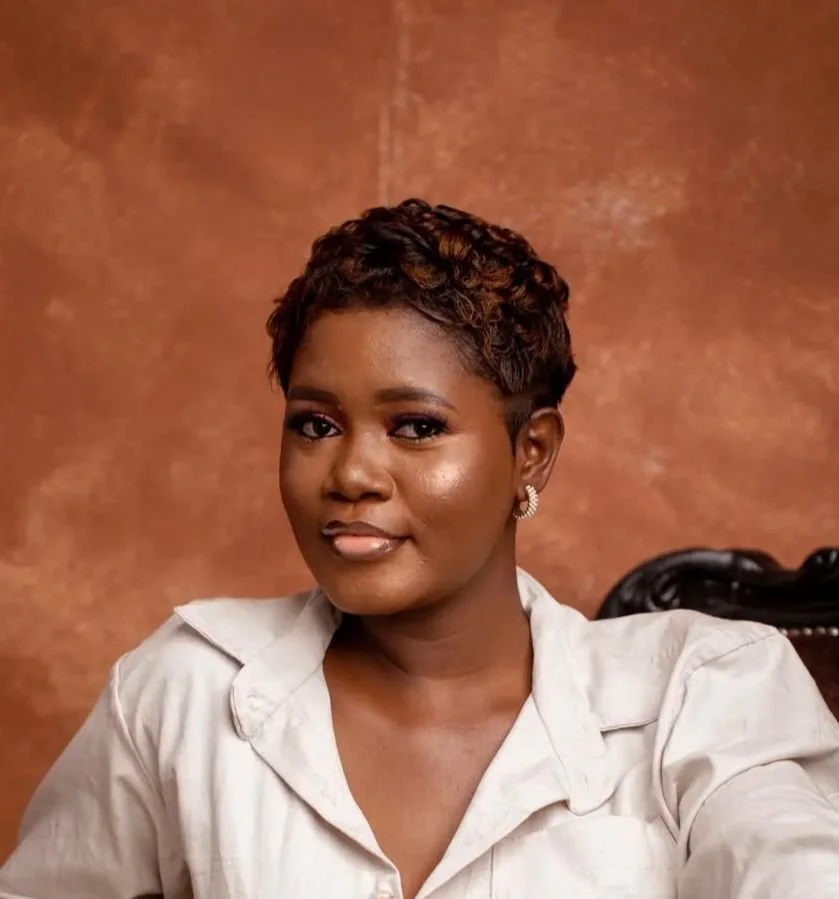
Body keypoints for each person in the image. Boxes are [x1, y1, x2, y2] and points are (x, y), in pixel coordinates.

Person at [1, 199, 838, 899]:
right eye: (315, 425)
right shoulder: (186, 690)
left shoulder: (702, 693)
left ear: (531, 452)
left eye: (415, 427)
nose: (350, 473)